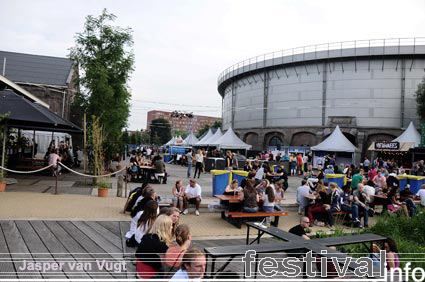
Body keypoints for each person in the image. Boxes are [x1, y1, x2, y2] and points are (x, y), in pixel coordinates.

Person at [135, 215, 173, 279]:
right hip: (148, 275)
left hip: (139, 269)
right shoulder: (162, 245)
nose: (172, 227)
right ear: (166, 228)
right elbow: (164, 266)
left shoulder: (146, 236)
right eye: (171, 225)